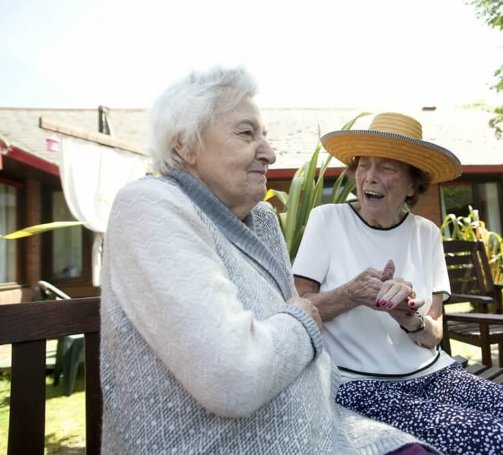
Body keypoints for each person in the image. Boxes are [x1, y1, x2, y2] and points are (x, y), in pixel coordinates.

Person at [100, 68, 437, 454]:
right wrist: (305, 316)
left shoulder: (260, 220)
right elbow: (234, 374)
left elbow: (283, 333)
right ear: (185, 147)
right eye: (247, 133)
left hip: (326, 428)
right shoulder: (151, 206)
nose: (270, 153)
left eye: (265, 135)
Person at [292, 112, 503, 454]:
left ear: (412, 183)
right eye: (364, 165)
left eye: (387, 168)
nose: (370, 177)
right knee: (494, 440)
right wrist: (353, 294)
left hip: (435, 374)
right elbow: (299, 310)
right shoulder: (328, 220)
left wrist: (408, 317)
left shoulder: (426, 233)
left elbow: (433, 335)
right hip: (357, 382)